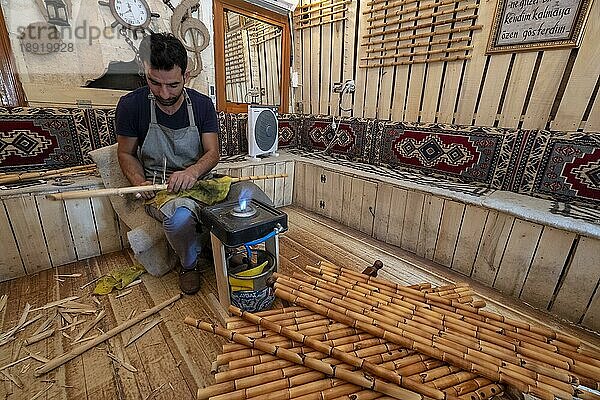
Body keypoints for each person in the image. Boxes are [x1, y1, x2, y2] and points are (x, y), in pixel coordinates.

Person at [115, 32, 270, 295]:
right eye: (155, 83)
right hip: (164, 189)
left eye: (173, 85)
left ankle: (231, 247)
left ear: (186, 76)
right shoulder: (131, 106)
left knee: (256, 197)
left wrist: (194, 171)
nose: (164, 93)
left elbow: (212, 153)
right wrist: (139, 182)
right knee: (180, 218)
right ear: (145, 70)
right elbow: (126, 153)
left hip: (202, 182)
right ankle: (189, 264)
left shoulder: (201, 105)